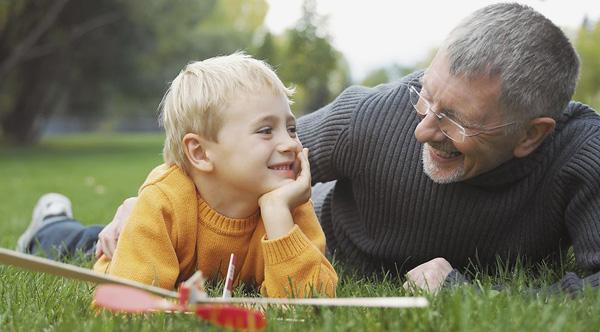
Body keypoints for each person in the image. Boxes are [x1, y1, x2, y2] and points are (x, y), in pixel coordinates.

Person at [69, 3, 600, 295]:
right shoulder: (372, 114)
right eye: (426, 97)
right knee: (121, 242)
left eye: (456, 119)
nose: (423, 129)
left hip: (291, 252)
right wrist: (141, 202)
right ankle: (56, 226)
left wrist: (469, 295)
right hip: (274, 232)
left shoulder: (583, 157)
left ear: (531, 134)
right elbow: (225, 157)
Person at [16, 53, 338, 298]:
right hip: (125, 249)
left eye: (292, 128)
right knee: (82, 244)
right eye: (266, 130)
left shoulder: (288, 204)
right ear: (200, 153)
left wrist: (278, 215)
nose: (290, 143)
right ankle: (50, 223)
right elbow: (125, 302)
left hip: (165, 248)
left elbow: (313, 301)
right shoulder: (165, 203)